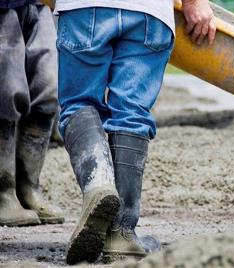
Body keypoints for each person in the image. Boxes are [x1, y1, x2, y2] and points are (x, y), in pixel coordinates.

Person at [54, 0, 216, 264]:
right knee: (131, 114)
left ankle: (98, 185)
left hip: (83, 7)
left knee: (79, 104)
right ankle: (121, 233)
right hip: (149, 11)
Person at [0, 0, 65, 227]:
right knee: (7, 92)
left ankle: (29, 188)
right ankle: (4, 191)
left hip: (39, 5)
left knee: (48, 90)